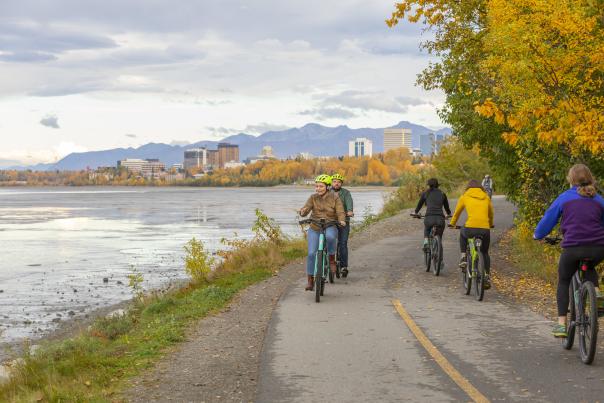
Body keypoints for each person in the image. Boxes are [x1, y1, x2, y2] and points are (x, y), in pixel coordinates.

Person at [533, 164, 604, 338]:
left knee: (564, 280)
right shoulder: (599, 199)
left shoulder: (564, 198)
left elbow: (549, 218)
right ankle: (596, 296)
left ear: (571, 179)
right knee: (590, 267)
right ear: (590, 179)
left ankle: (561, 324)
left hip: (572, 248)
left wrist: (538, 234)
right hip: (598, 248)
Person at [299, 174, 347, 291]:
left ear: (327, 186)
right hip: (315, 227)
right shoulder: (313, 197)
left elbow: (340, 211)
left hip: (330, 225)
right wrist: (302, 211)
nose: (318, 188)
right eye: (316, 186)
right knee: (311, 254)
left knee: (331, 237)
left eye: (321, 186)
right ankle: (310, 280)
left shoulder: (335, 197)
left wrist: (341, 220)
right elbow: (306, 209)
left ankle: (331, 259)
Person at [449, 180, 494, 288]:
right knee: (484, 252)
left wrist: (452, 223)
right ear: (480, 187)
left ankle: (464, 257)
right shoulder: (486, 196)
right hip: (484, 229)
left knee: (463, 233)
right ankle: (487, 276)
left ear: (468, 187)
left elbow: (457, 212)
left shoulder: (465, 196)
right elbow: (491, 213)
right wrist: (490, 224)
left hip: (470, 228)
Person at [413, 178, 451, 250]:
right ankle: (438, 245)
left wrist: (416, 213)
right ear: (437, 185)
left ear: (429, 185)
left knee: (427, 228)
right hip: (440, 219)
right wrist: (448, 214)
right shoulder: (442, 193)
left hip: (429, 218)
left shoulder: (425, 193)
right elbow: (447, 207)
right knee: (439, 235)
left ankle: (426, 241)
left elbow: (419, 205)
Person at [331, 173, 354, 277]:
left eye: (339, 182)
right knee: (329, 241)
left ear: (341, 184)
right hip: (331, 221)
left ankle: (344, 266)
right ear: (331, 183)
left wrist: (349, 211)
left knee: (343, 243)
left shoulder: (346, 193)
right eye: (334, 181)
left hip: (344, 221)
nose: (336, 183)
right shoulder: (327, 193)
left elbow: (349, 203)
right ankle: (327, 264)